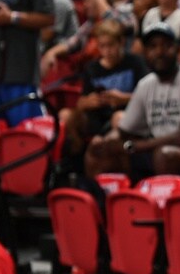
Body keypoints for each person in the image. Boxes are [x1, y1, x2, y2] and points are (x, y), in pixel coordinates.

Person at [85, 23, 180, 186]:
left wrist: (134, 146)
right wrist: (106, 143)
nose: (159, 52)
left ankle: (170, 209)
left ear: (178, 49)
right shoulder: (146, 85)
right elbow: (123, 132)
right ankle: (113, 207)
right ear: (145, 53)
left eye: (166, 45)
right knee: (99, 152)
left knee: (165, 155)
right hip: (163, 154)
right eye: (152, 47)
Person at [59, 18, 146, 167]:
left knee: (118, 117)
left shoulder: (135, 63)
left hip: (125, 115)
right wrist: (88, 102)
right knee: (65, 115)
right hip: (98, 117)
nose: (107, 51)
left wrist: (123, 99)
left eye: (111, 45)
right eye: (102, 46)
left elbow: (147, 97)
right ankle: (71, 165)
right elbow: (81, 102)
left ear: (121, 42)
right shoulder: (92, 68)